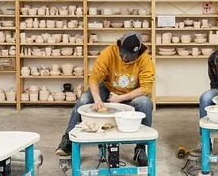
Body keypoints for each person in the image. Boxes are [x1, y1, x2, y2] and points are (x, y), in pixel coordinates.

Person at [55, 32, 155, 166]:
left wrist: (121, 98)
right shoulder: (109, 52)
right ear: (119, 47)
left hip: (131, 93)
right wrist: (97, 99)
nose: (125, 59)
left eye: (130, 57)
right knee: (84, 99)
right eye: (123, 55)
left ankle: (141, 148)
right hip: (108, 88)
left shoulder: (144, 59)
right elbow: (94, 78)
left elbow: (146, 88)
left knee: (146, 103)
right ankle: (68, 139)